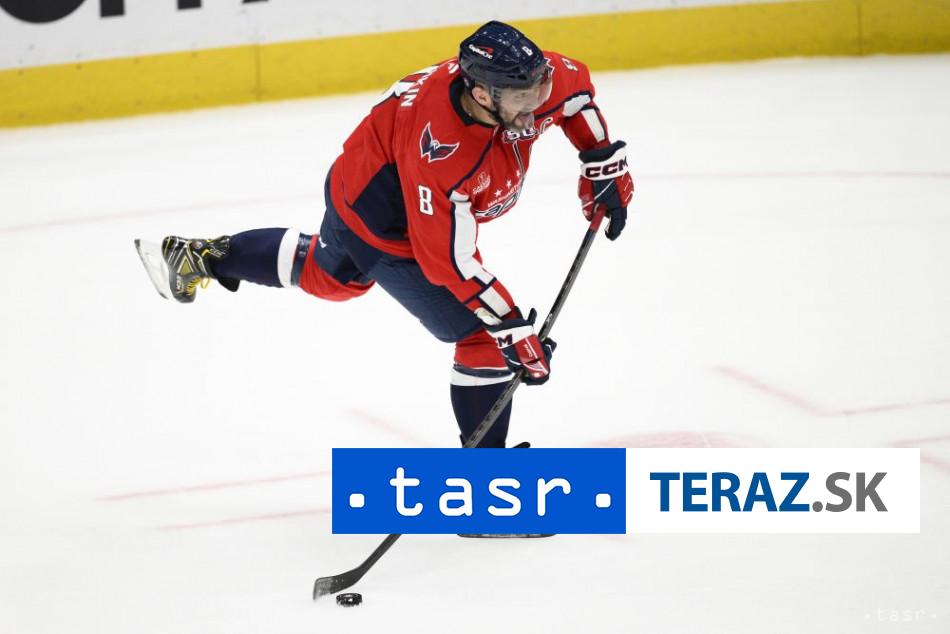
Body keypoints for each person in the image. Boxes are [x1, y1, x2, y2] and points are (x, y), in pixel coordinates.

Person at [135, 20, 634, 448]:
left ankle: (201, 257)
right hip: (386, 223)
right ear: (482, 95)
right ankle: (486, 484)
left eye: (539, 89)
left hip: (357, 175)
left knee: (331, 279)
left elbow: (574, 98)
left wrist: (599, 160)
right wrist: (510, 327)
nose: (536, 107)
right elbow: (448, 262)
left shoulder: (523, 81)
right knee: (483, 337)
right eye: (525, 99)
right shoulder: (443, 151)